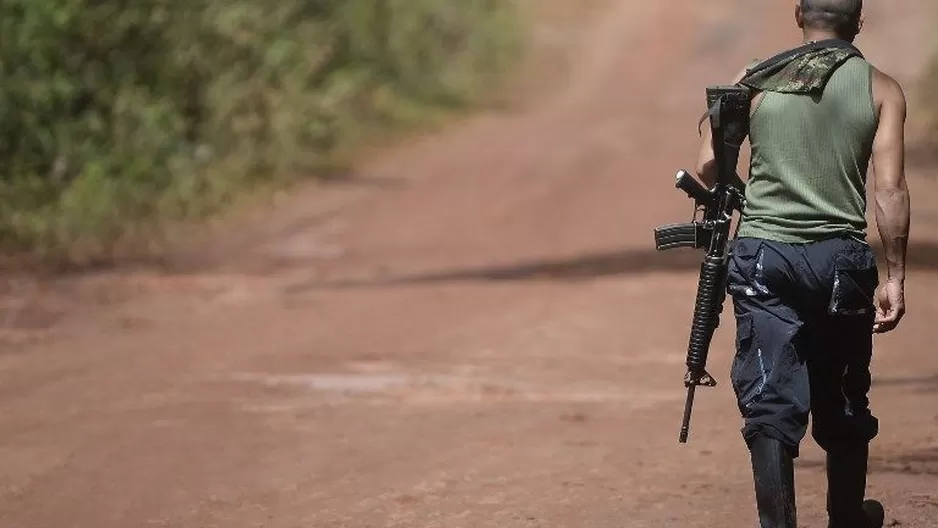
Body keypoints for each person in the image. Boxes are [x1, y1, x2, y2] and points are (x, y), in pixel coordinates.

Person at [693, 1, 911, 527]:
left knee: (769, 398)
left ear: (799, 16)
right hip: (841, 260)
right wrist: (894, 276)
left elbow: (705, 168)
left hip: (764, 257)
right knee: (842, 394)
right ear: (858, 22)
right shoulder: (882, 89)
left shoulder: (758, 78)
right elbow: (888, 191)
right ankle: (845, 517)